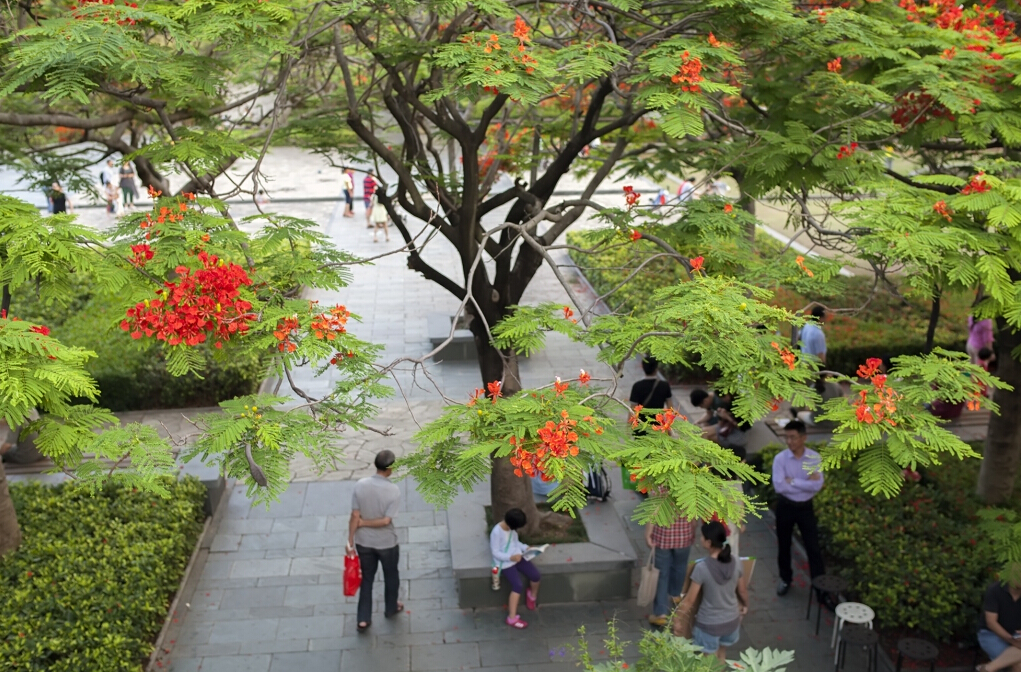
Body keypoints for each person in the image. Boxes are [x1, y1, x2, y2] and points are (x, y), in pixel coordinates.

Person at [347, 449, 402, 633]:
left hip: (364, 542)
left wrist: (350, 540)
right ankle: (391, 607)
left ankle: (363, 618)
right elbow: (387, 520)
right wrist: (367, 522)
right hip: (387, 543)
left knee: (367, 579)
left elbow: (354, 515)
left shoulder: (360, 485)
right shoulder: (393, 491)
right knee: (391, 576)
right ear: (390, 469)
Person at [679, 521, 749, 664]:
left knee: (707, 664)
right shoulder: (735, 561)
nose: (700, 539)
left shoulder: (702, 568)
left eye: (702, 537)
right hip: (731, 622)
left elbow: (689, 600)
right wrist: (745, 605)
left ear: (709, 542)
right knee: (721, 656)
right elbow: (742, 590)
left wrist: (677, 620)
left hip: (709, 625)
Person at [772, 420, 826, 598]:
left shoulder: (814, 458)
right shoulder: (780, 459)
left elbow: (817, 485)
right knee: (784, 545)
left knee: (813, 547)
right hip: (785, 506)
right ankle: (785, 579)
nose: (789, 441)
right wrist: (806, 483)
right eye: (786, 437)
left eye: (793, 437)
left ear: (803, 438)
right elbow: (780, 486)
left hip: (805, 508)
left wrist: (793, 481)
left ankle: (819, 587)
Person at [645, 504, 696, 627]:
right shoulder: (690, 485)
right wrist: (693, 529)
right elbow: (694, 510)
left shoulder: (660, 487)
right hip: (684, 535)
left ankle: (661, 614)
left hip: (662, 536)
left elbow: (654, 509)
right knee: (680, 567)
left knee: (661, 574)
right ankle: (675, 594)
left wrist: (648, 533)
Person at [490, 507, 541, 629]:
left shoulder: (512, 530)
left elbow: (515, 542)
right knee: (517, 585)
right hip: (506, 562)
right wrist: (510, 557)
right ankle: (511, 617)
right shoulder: (497, 532)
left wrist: (526, 548)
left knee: (536, 576)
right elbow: (495, 552)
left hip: (517, 556)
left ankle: (532, 595)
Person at [977, 573, 1021, 672]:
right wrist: (1013, 641)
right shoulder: (995, 590)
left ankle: (988, 668)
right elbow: (991, 623)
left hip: (1016, 634)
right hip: (990, 634)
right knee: (1017, 664)